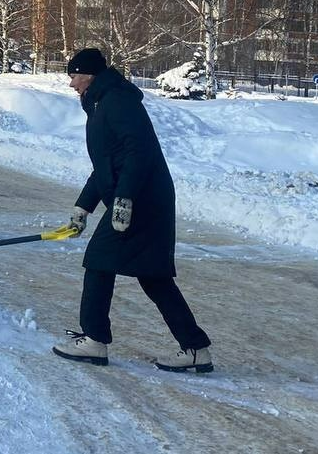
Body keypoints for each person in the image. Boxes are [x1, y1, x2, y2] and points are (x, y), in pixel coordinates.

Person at [52, 47, 213, 373]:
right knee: (153, 276)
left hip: (143, 200)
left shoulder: (117, 101)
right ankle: (195, 348)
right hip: (142, 198)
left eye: (74, 76)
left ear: (90, 75)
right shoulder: (100, 103)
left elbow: (137, 153)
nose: (71, 84)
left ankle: (95, 340)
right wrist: (83, 206)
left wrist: (124, 199)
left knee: (98, 261)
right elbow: (106, 165)